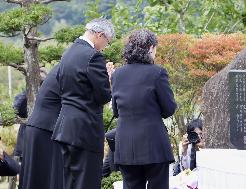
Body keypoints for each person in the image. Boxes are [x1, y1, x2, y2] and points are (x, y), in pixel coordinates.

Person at [51, 18, 115, 189]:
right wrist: (108, 79)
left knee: (69, 182)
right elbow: (103, 96)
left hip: (65, 126)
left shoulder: (68, 53)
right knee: (87, 182)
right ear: (100, 35)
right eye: (106, 42)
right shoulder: (93, 56)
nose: (105, 46)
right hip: (85, 129)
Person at [111, 29, 177, 189]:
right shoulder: (157, 72)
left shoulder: (117, 74)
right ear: (150, 48)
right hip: (153, 143)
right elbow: (169, 109)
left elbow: (116, 111)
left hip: (126, 145)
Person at [19, 64, 63, 189]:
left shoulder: (57, 74)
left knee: (35, 178)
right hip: (44, 130)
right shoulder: (64, 73)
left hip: (39, 128)